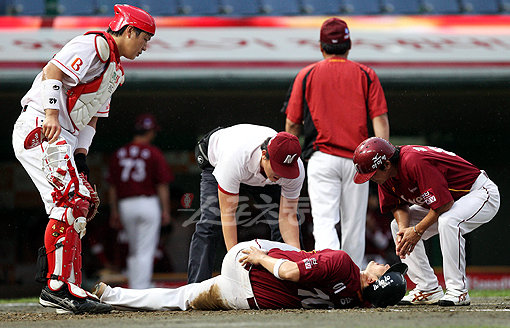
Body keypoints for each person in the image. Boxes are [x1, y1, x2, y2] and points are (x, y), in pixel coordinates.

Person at [11, 4, 156, 314]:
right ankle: (56, 286)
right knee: (69, 201)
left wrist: (81, 160)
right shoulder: (95, 44)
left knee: (80, 203)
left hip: (65, 135)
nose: (146, 46)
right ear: (129, 30)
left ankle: (69, 284)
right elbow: (53, 71)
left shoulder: (116, 71)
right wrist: (51, 113)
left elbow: (90, 118)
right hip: (42, 124)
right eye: (144, 38)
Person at [282, 17, 390, 267]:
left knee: (324, 221)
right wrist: (382, 161)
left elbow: (291, 125)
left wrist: (289, 159)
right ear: (348, 45)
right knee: (354, 223)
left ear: (321, 47)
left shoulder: (306, 75)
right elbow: (380, 121)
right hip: (359, 162)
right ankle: (354, 278)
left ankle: (330, 276)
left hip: (322, 158)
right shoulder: (366, 74)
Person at [352, 137, 500, 306]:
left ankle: (458, 290)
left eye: (372, 174)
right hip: (450, 201)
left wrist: (416, 231)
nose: (371, 179)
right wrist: (405, 231)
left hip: (479, 193)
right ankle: (427, 287)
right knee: (396, 226)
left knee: (448, 221)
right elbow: (398, 206)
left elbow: (444, 204)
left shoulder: (413, 161)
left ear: (385, 164)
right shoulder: (385, 175)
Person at [93, 239, 408, 310]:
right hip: (249, 300)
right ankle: (112, 296)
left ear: (374, 280)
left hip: (249, 267)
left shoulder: (344, 264)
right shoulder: (356, 303)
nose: (384, 264)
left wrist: (260, 257)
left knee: (291, 254)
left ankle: (111, 295)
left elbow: (291, 271)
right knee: (183, 298)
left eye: (386, 269)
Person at [188, 124, 305, 283]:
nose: (282, 174)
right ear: (264, 155)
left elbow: (288, 216)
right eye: (279, 168)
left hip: (263, 177)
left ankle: (285, 284)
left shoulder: (295, 171)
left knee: (284, 221)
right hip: (218, 161)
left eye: (287, 170)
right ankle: (195, 286)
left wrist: (296, 260)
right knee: (210, 222)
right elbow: (228, 214)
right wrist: (234, 265)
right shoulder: (235, 159)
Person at [107, 113, 173, 289]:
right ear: (149, 132)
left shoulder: (119, 153)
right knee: (145, 249)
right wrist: (165, 209)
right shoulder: (152, 152)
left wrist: (114, 211)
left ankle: (136, 285)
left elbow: (112, 187)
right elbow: (162, 184)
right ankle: (141, 287)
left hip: (125, 204)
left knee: (134, 248)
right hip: (147, 202)